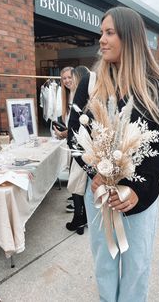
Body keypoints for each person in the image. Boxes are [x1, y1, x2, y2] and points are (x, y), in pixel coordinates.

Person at [67, 7, 159, 302]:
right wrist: (96, 173)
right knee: (104, 263)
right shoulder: (90, 83)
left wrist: (137, 189)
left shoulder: (155, 88)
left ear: (130, 37)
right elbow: (76, 133)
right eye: (102, 32)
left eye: (109, 32)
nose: (101, 39)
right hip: (99, 192)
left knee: (137, 265)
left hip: (140, 196)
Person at [65, 66, 90, 234]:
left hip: (81, 146)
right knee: (80, 184)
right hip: (81, 145)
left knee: (77, 185)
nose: (69, 81)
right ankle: (81, 219)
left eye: (71, 78)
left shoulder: (82, 97)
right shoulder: (78, 95)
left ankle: (78, 220)